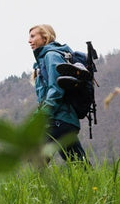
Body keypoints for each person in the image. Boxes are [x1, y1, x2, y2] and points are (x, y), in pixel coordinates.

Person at [28, 24, 88, 163]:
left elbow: (56, 89)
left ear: (45, 37)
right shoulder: (45, 59)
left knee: (36, 159)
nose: (29, 40)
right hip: (64, 120)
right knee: (78, 164)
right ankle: (93, 183)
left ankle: (39, 185)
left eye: (33, 36)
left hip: (57, 120)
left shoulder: (51, 56)